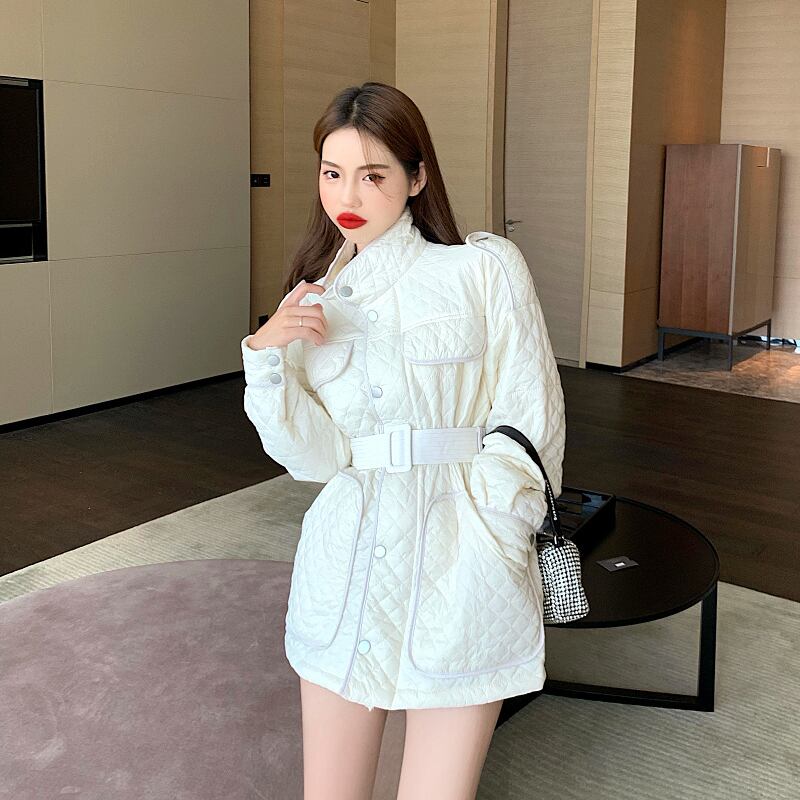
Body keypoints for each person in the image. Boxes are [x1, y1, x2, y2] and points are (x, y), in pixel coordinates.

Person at [240, 82, 566, 800]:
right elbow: (315, 460)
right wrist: (266, 358)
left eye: (372, 174)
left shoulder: (482, 269)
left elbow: (531, 407)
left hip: (464, 559)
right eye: (332, 173)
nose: (347, 195)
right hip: (344, 560)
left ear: (417, 178)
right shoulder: (313, 298)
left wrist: (500, 526)